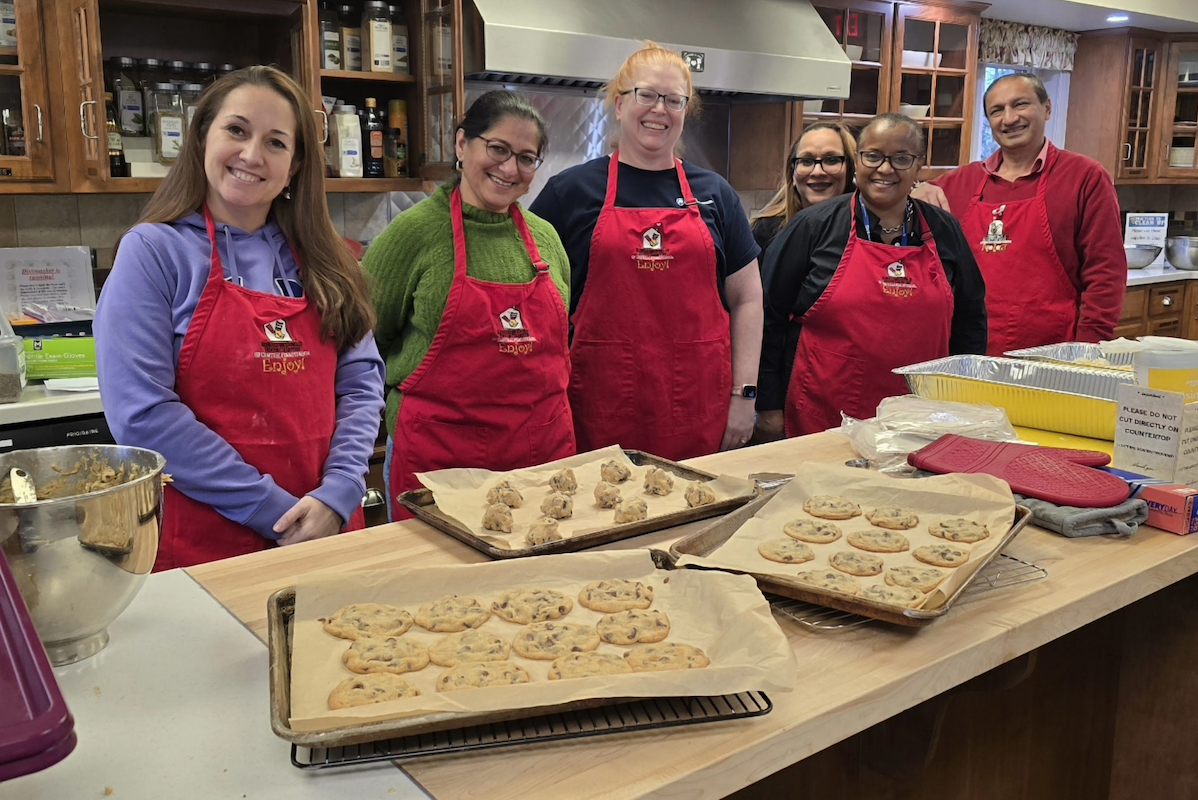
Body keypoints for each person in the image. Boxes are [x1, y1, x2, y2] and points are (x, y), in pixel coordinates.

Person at [94, 66, 385, 571]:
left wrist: (339, 491)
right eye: (236, 130)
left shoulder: (328, 259)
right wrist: (275, 513)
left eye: (276, 142)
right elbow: (142, 414)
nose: (252, 155)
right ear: (202, 135)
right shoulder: (154, 252)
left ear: (294, 166)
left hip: (328, 529)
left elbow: (361, 384)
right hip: (210, 544)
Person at [531, 42, 763, 459]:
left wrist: (744, 396)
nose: (660, 109)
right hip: (598, 409)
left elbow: (747, 298)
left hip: (699, 409)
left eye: (674, 100)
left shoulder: (716, 194)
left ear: (685, 111)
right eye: (647, 95)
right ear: (619, 104)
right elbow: (532, 298)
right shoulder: (570, 192)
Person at [363, 90, 574, 521]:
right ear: (462, 144)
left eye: (526, 158)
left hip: (541, 455)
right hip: (440, 460)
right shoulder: (413, 235)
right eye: (497, 148)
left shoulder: (547, 240)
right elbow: (362, 343)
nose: (510, 168)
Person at [757, 114, 988, 439]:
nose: (885, 168)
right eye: (873, 156)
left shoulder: (945, 230)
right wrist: (766, 404)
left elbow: (970, 321)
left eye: (901, 158)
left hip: (920, 419)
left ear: (918, 165)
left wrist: (966, 401)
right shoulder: (812, 227)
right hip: (824, 419)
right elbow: (768, 318)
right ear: (859, 161)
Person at [913, 73, 1124, 353]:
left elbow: (1106, 273)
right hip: (969, 354)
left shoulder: (1085, 177)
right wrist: (915, 189)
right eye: (997, 110)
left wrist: (1087, 351)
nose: (1009, 119)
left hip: (1053, 356)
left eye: (1020, 104)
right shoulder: (958, 183)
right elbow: (890, 213)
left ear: (1047, 108)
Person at [750, 121, 858, 253]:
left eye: (831, 160)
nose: (817, 172)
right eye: (806, 161)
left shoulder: (867, 232)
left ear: (851, 170)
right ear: (793, 174)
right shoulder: (766, 231)